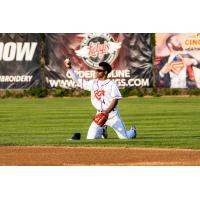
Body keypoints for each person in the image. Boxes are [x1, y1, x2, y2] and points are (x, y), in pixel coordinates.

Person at [64, 58, 137, 139]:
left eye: (99, 70)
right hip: (99, 115)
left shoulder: (112, 84)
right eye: (96, 70)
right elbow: (78, 80)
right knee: (90, 138)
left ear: (105, 72)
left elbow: (115, 100)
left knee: (125, 138)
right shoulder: (93, 83)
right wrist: (70, 68)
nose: (96, 72)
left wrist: (106, 112)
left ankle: (132, 131)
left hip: (112, 115)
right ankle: (102, 130)